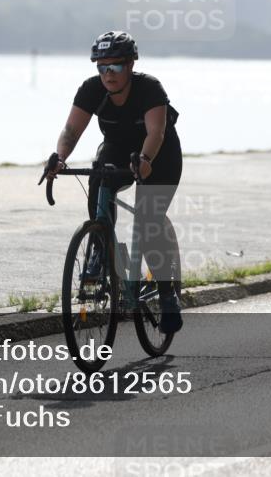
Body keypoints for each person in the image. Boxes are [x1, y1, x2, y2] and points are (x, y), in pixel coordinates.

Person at [45, 31, 183, 333]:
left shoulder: (149, 88)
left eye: (116, 67)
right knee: (99, 178)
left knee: (148, 221)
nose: (108, 74)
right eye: (102, 67)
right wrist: (59, 158)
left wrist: (145, 162)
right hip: (118, 148)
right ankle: (100, 245)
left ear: (131, 65)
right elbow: (70, 131)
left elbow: (156, 133)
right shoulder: (91, 90)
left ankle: (167, 293)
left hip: (158, 155)